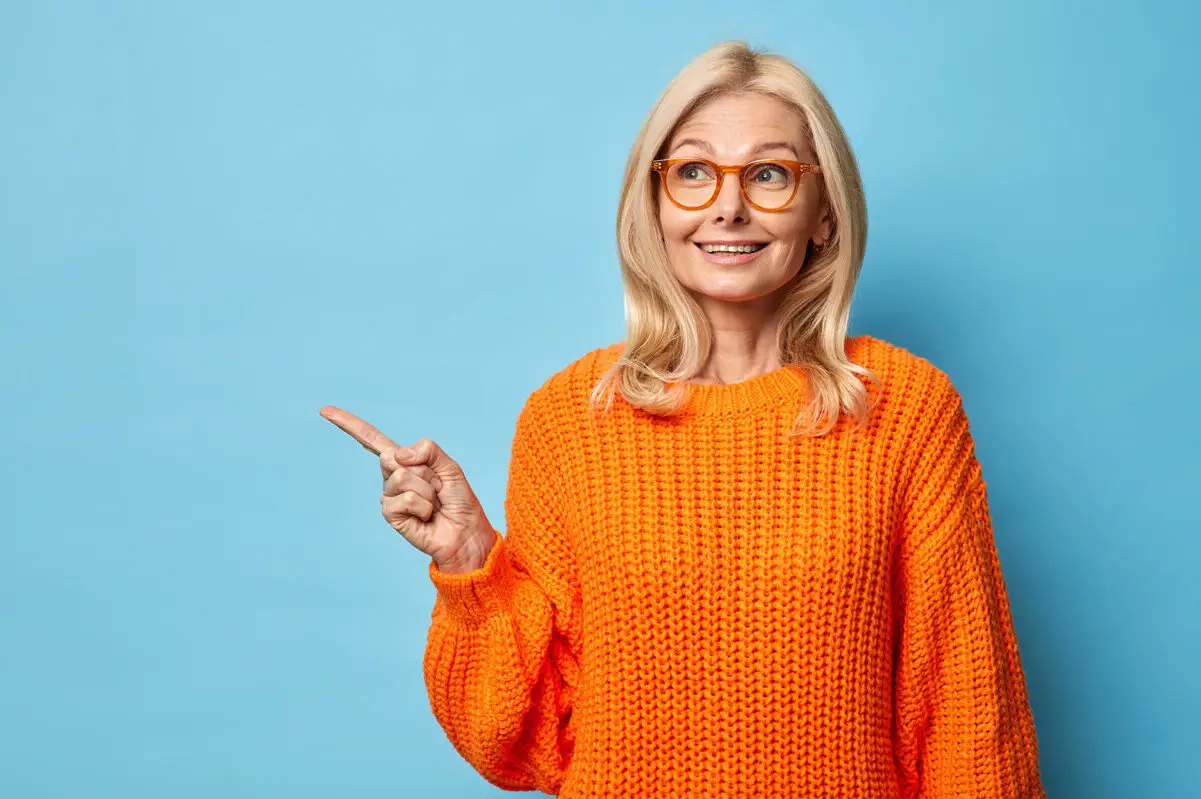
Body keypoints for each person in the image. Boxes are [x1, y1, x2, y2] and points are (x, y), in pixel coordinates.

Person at [321, 40, 1046, 798]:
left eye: (769, 174)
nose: (727, 205)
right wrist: (471, 563)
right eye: (693, 172)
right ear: (656, 204)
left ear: (823, 214)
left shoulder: (903, 405)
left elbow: (966, 712)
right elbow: (525, 741)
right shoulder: (569, 418)